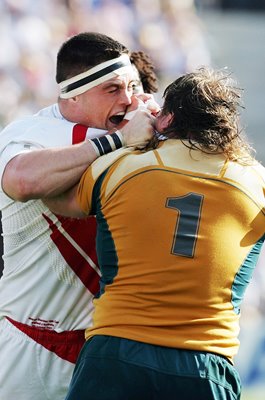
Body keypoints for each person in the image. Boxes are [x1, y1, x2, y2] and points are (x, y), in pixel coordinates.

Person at [44, 67, 265, 400]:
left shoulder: (121, 166)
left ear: (166, 119)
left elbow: (49, 192)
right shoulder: (257, 186)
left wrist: (120, 139)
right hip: (205, 365)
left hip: (116, 353)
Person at [0, 32, 158, 400]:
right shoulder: (32, 133)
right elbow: (21, 181)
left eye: (133, 86)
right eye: (113, 89)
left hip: (104, 348)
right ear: (74, 94)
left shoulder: (136, 134)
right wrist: (117, 141)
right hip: (33, 344)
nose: (129, 99)